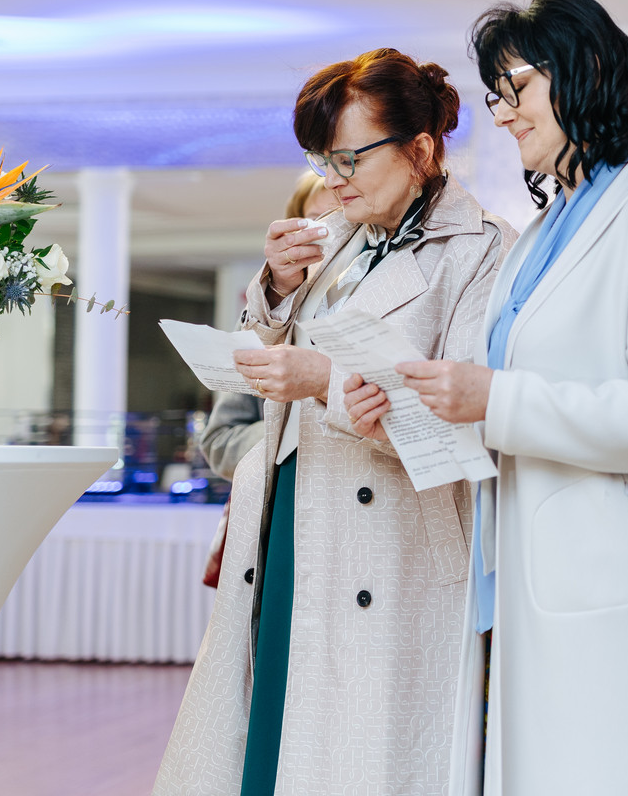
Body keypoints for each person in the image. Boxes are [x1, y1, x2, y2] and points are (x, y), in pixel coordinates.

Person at [384, 0, 628, 795]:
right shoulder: (549, 228)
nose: (502, 114)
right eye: (495, 96)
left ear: (584, 71)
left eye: (516, 88)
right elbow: (515, 394)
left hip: (622, 590)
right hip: (542, 577)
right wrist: (425, 407)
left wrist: (495, 400)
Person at [154, 48, 516, 796]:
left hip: (390, 544)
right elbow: (279, 357)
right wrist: (278, 289)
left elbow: (464, 419)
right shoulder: (337, 238)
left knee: (357, 757)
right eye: (323, 159)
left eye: (350, 157)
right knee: (269, 732)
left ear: (421, 149)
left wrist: (326, 383)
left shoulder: (482, 251)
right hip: (292, 512)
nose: (335, 178)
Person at [201, 174, 340, 483]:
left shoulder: (385, 302)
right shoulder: (265, 312)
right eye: (316, 221)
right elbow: (219, 443)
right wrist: (296, 428)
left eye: (342, 219)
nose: (329, 234)